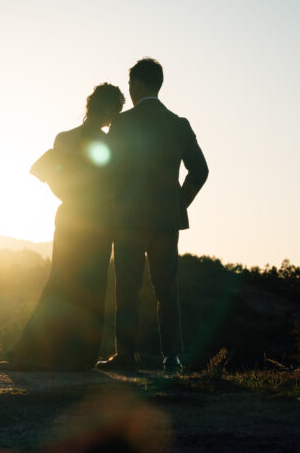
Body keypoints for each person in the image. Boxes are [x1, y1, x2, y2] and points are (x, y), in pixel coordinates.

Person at [0, 83, 125, 371]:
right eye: (117, 110)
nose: (116, 116)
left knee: (61, 281)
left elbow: (52, 178)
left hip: (70, 215)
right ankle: (79, 357)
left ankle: (37, 353)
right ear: (108, 110)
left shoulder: (64, 138)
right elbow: (116, 186)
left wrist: (71, 196)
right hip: (98, 219)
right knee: (92, 285)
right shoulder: (110, 144)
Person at [96, 58, 208, 374]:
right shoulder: (179, 124)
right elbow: (200, 170)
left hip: (129, 220)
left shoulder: (122, 123)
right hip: (166, 222)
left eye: (130, 84)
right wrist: (178, 203)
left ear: (137, 84)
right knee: (167, 289)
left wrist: (113, 202)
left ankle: (126, 355)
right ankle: (171, 357)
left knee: (127, 288)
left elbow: (108, 170)